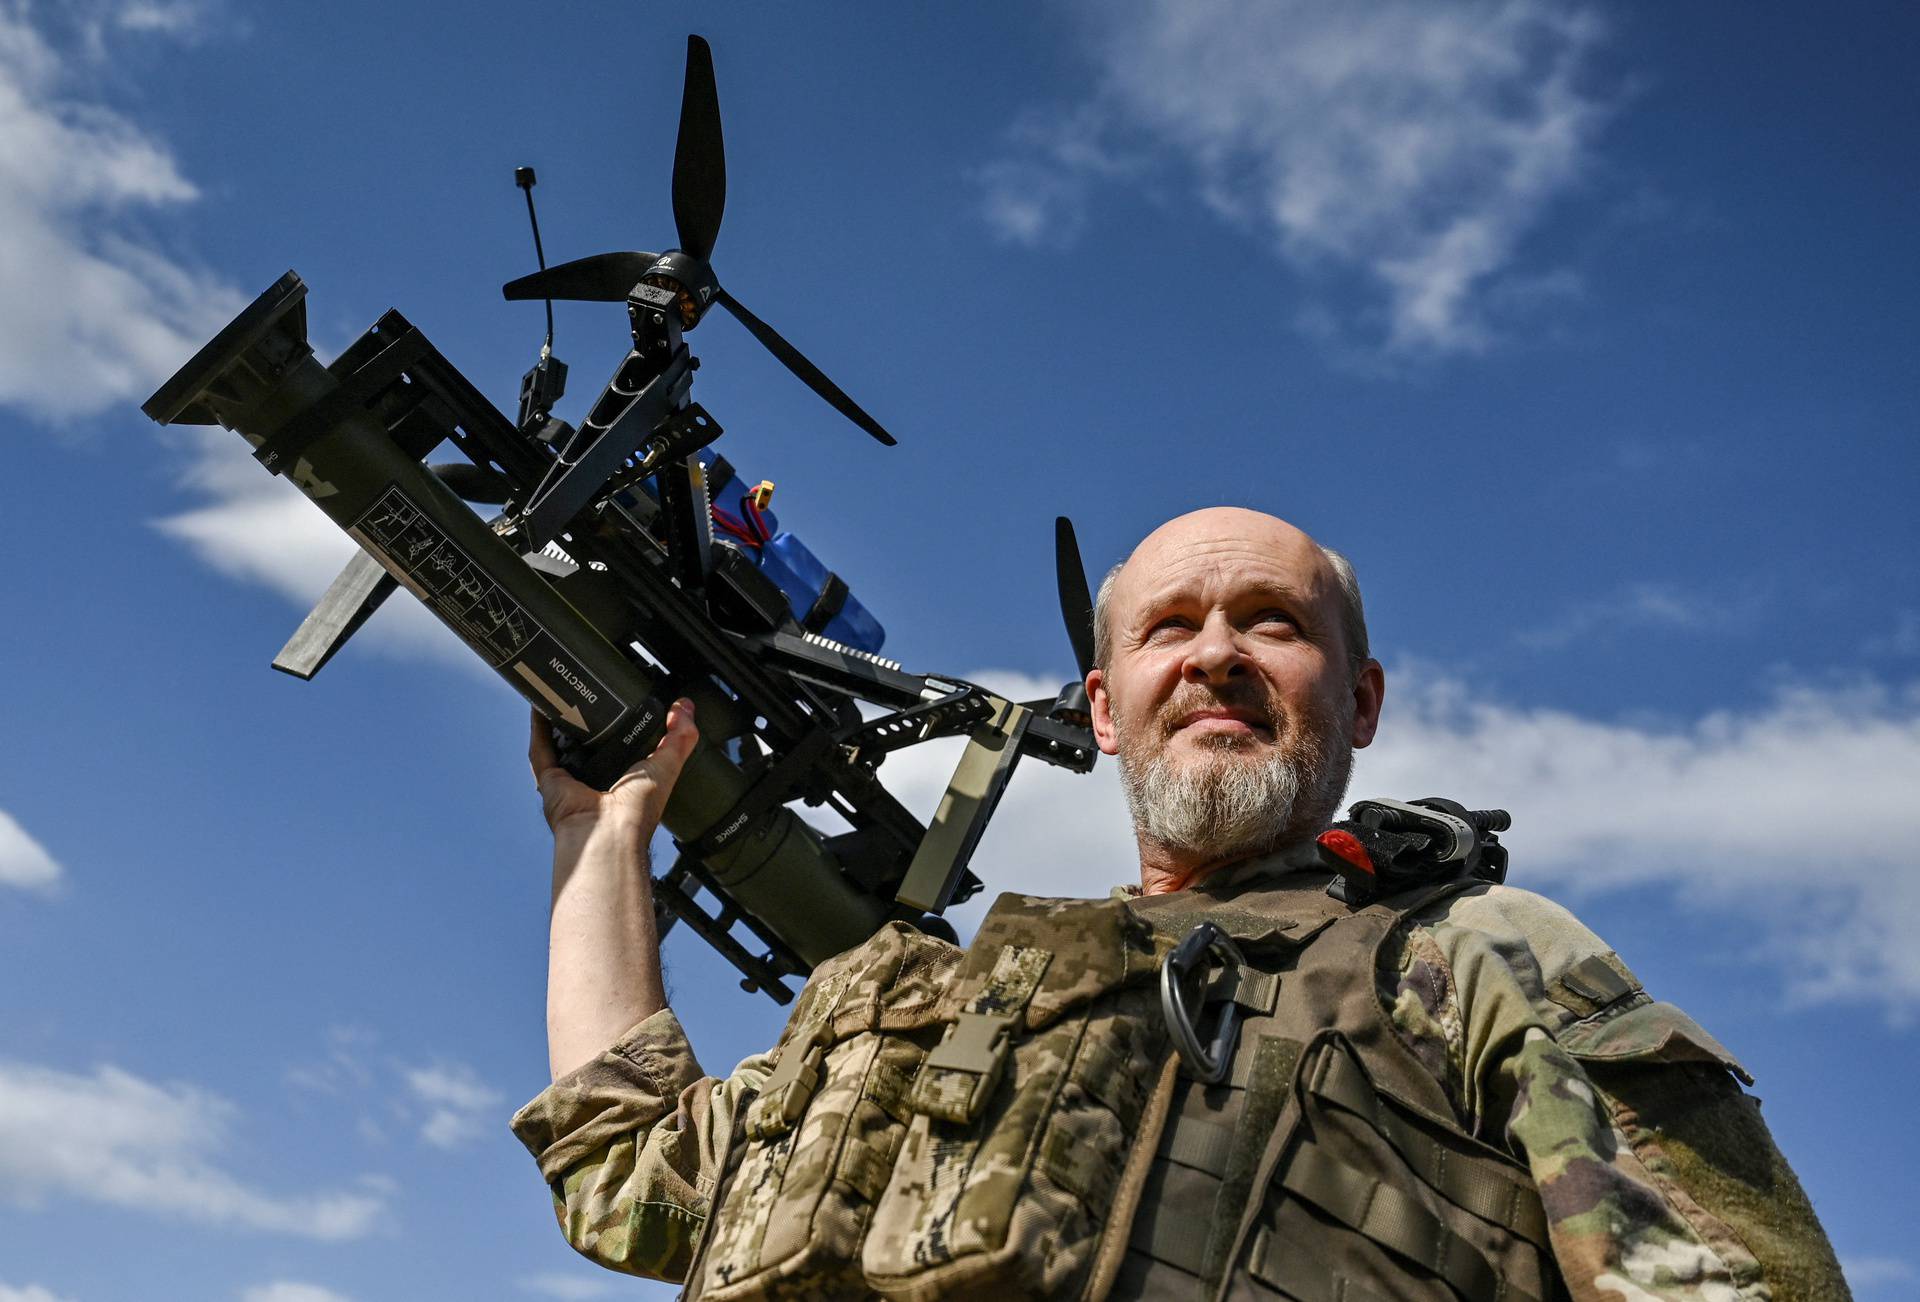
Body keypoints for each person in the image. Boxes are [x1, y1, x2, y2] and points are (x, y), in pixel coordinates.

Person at [512, 507, 1849, 1300]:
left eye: (1272, 621)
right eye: (1170, 626)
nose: (1215, 653)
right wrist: (602, 827)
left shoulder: (1466, 960)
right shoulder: (911, 1007)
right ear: (1104, 707)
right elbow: (629, 1176)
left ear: (1360, 700)